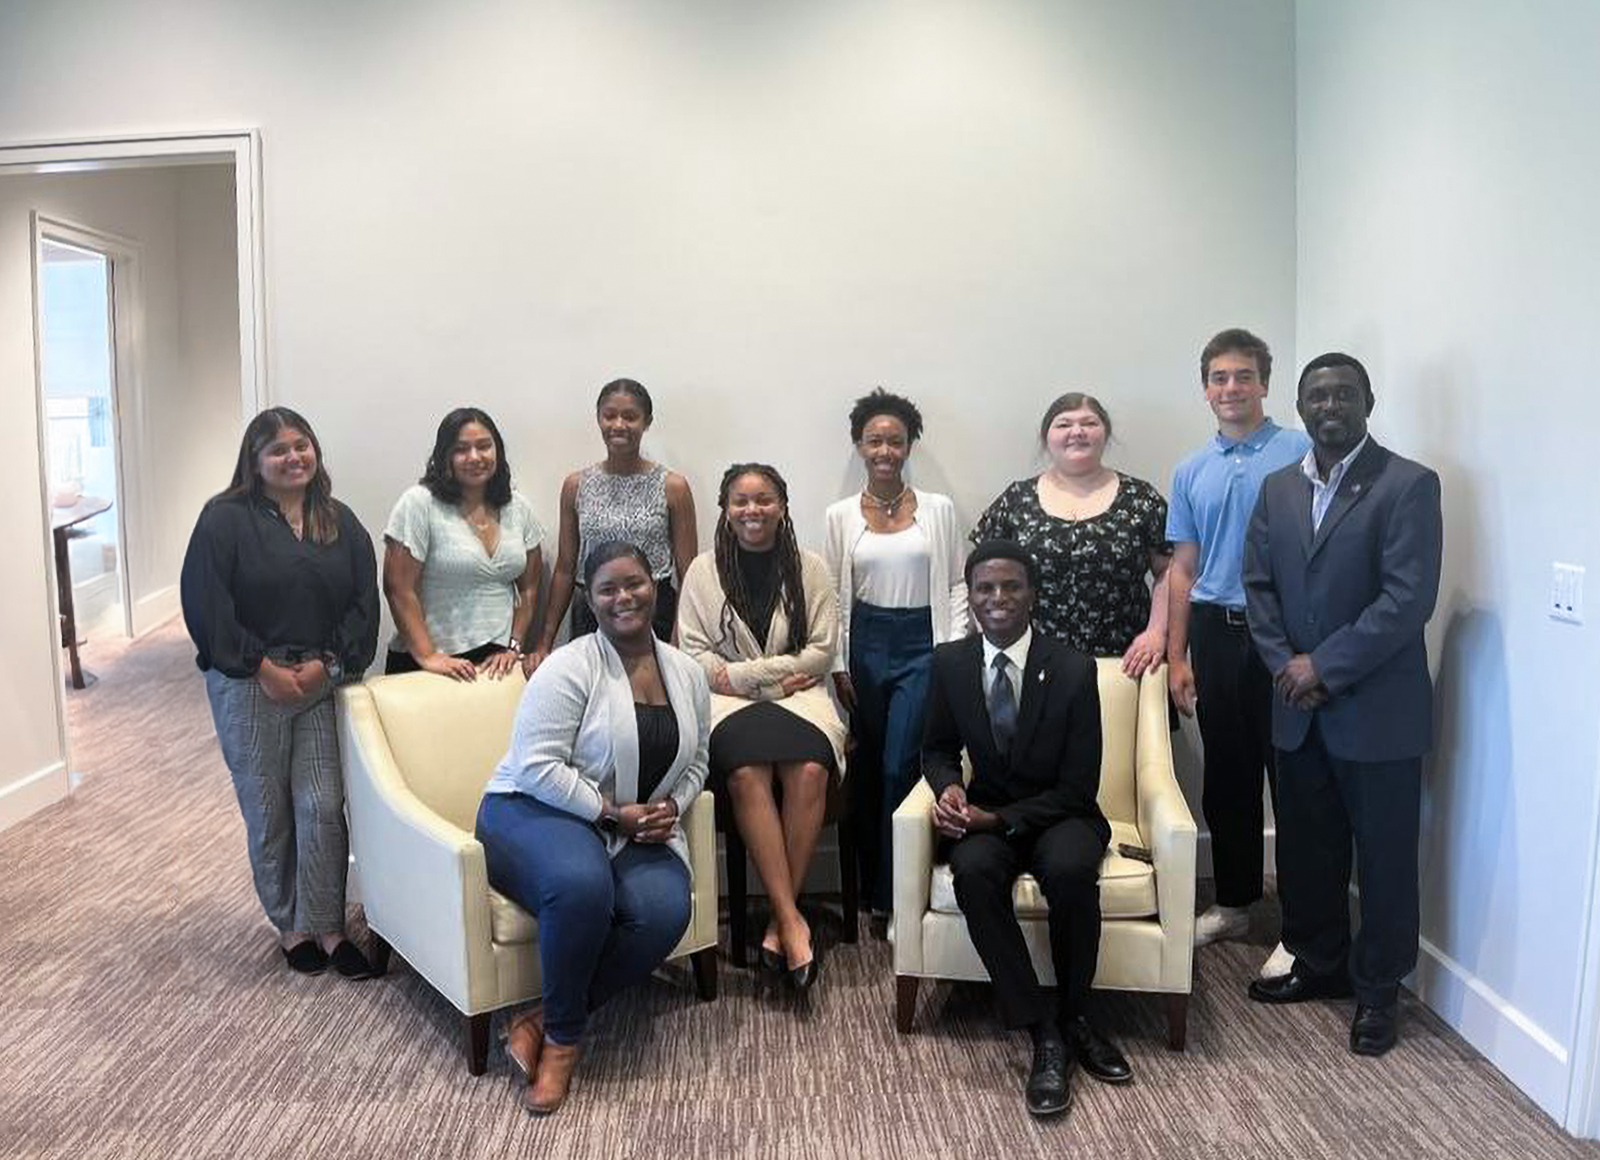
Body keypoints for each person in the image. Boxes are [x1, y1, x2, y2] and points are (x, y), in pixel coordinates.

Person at [1242, 353, 1442, 1057]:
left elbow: (1406, 599)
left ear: (1368, 402)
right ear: (1300, 408)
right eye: (1318, 396)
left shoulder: (1408, 485)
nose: (1330, 405)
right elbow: (1258, 588)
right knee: (1308, 848)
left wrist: (1322, 666)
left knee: (1383, 857)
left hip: (1377, 711)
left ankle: (1379, 991)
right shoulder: (1277, 489)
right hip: (1297, 708)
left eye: (1344, 394)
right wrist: (1284, 666)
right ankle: (1320, 961)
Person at [477, 541, 711, 1114]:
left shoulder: (686, 672)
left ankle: (540, 1019)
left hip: (630, 824)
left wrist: (673, 805)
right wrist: (611, 812)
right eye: (608, 588)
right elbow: (535, 767)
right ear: (590, 598)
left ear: (656, 586)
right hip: (531, 810)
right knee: (581, 886)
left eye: (634, 583)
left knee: (664, 911)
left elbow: (699, 758)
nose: (623, 597)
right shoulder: (569, 667)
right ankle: (563, 1043)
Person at [921, 541, 1127, 1118]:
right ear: (970, 597)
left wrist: (998, 819)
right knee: (972, 870)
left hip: (1062, 813)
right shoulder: (950, 663)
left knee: (1069, 870)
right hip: (987, 808)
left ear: (1032, 594)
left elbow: (1079, 784)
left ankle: (1077, 1015)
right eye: (985, 588)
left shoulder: (1073, 668)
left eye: (1011, 586)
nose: (998, 598)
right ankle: (1043, 1032)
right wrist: (949, 788)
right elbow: (936, 749)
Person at [180, 406, 379, 978]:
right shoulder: (223, 520)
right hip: (249, 684)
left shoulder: (339, 521)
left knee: (321, 804)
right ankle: (293, 926)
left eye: (302, 445)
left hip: (321, 679)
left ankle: (330, 927)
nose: (294, 457)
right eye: (279, 449)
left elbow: (363, 602)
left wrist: (329, 664)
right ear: (255, 461)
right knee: (269, 809)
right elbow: (207, 604)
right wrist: (261, 667)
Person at [1165, 329, 1311, 974]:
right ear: (1205, 389)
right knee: (1228, 776)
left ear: (1264, 384)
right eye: (1219, 378)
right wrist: (1178, 656)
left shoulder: (1301, 451)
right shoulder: (1191, 470)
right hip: (1214, 632)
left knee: (1293, 775)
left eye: (1243, 376)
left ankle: (1303, 922)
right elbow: (1182, 567)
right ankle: (1234, 903)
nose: (1232, 388)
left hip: (1286, 634)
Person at [677, 463, 846, 989]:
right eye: (741, 501)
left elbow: (821, 652)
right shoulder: (702, 571)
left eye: (764, 499)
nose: (753, 510)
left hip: (803, 699)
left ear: (783, 506)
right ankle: (792, 921)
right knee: (746, 771)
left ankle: (781, 919)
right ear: (726, 509)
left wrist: (745, 676)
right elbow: (693, 653)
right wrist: (765, 682)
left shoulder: (811, 568)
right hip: (728, 703)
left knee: (810, 770)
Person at [823, 389, 967, 930]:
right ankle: (870, 888)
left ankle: (897, 896)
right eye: (874, 441)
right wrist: (838, 662)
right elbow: (832, 595)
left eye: (895, 441)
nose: (885, 451)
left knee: (900, 767)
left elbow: (957, 583)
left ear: (909, 447)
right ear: (859, 446)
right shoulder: (840, 516)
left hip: (922, 645)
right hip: (864, 644)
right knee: (865, 767)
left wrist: (951, 650)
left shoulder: (938, 510)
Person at [973, 393, 1171, 674]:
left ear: (1106, 434)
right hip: (1035, 662)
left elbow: (1170, 570)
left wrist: (1157, 632)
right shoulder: (1017, 499)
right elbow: (980, 576)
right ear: (1046, 437)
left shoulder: (1141, 498)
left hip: (1127, 661)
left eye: (1089, 423)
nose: (1077, 432)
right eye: (1064, 424)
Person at [530, 379, 697, 666]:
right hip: (594, 611)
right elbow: (566, 568)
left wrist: (677, 639)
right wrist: (545, 642)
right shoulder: (575, 485)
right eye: (610, 416)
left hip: (653, 611)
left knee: (647, 689)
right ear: (599, 419)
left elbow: (689, 574)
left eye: (630, 416)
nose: (619, 425)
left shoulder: (673, 487)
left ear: (647, 422)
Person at [381, 407, 544, 679]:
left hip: (495, 664)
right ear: (444, 456)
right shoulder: (419, 503)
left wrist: (514, 645)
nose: (475, 457)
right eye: (461, 449)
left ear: (497, 450)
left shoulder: (518, 507)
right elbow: (398, 587)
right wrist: (429, 656)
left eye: (484, 446)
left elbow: (530, 588)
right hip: (429, 665)